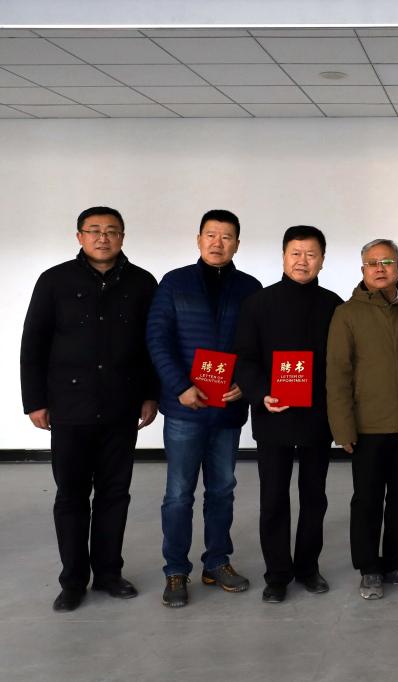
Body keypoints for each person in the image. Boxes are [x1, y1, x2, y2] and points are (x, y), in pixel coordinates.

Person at [21, 206, 158, 612]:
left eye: (112, 231)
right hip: (69, 408)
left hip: (121, 407)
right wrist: (35, 401)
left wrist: (151, 394)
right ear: (79, 236)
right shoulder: (54, 280)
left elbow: (152, 345)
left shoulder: (142, 282)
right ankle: (73, 581)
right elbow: (33, 343)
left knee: (115, 494)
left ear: (122, 237)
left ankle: (110, 574)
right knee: (71, 496)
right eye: (94, 230)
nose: (103, 237)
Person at [146, 209, 262, 607]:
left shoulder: (249, 288)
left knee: (223, 490)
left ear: (237, 244)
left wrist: (245, 383)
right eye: (211, 235)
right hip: (186, 410)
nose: (218, 242)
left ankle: (217, 562)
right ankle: (176, 570)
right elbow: (157, 339)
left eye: (226, 236)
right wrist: (180, 386)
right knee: (179, 493)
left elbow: (256, 346)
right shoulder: (174, 282)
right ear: (198, 240)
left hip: (227, 410)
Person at [234, 225, 342, 603]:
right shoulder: (258, 304)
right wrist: (261, 393)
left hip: (317, 416)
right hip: (273, 414)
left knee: (314, 497)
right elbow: (244, 359)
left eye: (311, 254)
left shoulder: (333, 306)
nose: (302, 261)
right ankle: (277, 574)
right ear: (283, 257)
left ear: (322, 260)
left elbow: (341, 365)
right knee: (274, 498)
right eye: (295, 253)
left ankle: (308, 568)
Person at [326, 238, 398, 600]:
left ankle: (397, 562)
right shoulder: (347, 314)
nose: (380, 269)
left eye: (387, 262)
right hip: (367, 426)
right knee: (367, 500)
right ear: (363, 270)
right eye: (372, 263)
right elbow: (337, 374)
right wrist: (343, 427)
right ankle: (369, 568)